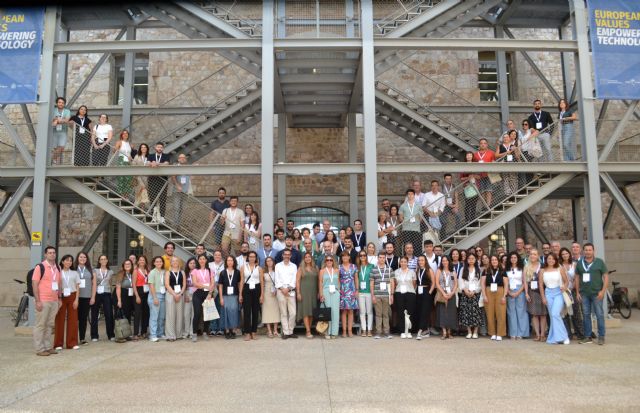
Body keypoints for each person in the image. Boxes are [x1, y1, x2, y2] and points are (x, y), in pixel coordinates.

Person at [575, 243, 609, 345]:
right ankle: (588, 336)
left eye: (590, 250)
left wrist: (603, 291)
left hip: (597, 294)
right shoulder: (580, 263)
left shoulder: (599, 262)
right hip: (584, 294)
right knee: (586, 315)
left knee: (599, 315)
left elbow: (606, 277)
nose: (588, 252)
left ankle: (601, 336)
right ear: (583, 251)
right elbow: (576, 278)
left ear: (593, 251)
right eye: (586, 250)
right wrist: (577, 292)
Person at [32, 246, 62, 356]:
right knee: (41, 325)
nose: (52, 254)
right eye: (50, 253)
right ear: (45, 254)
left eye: (54, 253)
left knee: (49, 325)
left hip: (54, 300)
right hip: (43, 300)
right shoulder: (40, 267)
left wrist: (59, 298)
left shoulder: (57, 268)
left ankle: (48, 347)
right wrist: (37, 300)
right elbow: (34, 284)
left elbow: (59, 284)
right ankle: (39, 349)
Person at [539, 253, 570, 345]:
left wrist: (564, 287)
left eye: (553, 259)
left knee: (555, 314)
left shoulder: (559, 268)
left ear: (555, 260)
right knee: (552, 317)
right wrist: (543, 297)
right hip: (548, 293)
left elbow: (566, 281)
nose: (551, 260)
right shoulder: (542, 271)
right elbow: (540, 285)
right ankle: (555, 338)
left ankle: (564, 336)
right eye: (549, 258)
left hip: (558, 293)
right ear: (546, 260)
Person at [53, 254, 80, 351]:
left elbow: (77, 287)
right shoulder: (58, 272)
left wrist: (77, 299)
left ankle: (72, 343)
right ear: (62, 261)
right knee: (59, 319)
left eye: (70, 261)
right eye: (67, 260)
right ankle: (58, 343)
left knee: (73, 319)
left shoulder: (75, 273)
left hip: (72, 296)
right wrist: (57, 298)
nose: (69, 262)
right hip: (61, 296)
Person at [481, 255, 508, 341]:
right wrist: (484, 295)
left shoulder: (503, 271)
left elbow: (506, 284)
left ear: (498, 261)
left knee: (501, 313)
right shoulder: (486, 271)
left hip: (500, 291)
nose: (494, 261)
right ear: (490, 261)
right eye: (492, 260)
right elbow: (482, 284)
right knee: (490, 313)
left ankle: (500, 333)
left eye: (495, 259)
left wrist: (504, 296)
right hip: (489, 291)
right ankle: (492, 333)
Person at [458, 253, 483, 339]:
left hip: (475, 293)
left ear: (475, 260)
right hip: (465, 293)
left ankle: (475, 331)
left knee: (476, 312)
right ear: (467, 260)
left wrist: (474, 291)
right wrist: (465, 290)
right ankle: (468, 331)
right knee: (466, 312)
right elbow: (460, 281)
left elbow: (480, 282)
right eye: (469, 259)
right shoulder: (463, 269)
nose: (471, 260)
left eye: (473, 258)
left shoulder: (479, 269)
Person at [560, 247, 584, 340]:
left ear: (569, 254)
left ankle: (580, 333)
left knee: (576, 312)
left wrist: (573, 286)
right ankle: (568, 334)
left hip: (573, 290)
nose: (565, 255)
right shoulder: (559, 266)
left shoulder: (574, 264)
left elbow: (577, 277)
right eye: (563, 254)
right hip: (564, 291)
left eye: (566, 253)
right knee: (565, 313)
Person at [240, 251, 264, 341]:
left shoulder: (259, 268)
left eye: (254, 256)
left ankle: (254, 332)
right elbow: (242, 281)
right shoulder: (243, 267)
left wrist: (262, 295)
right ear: (248, 257)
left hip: (257, 289)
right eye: (250, 256)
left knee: (255, 311)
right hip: (246, 289)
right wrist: (240, 294)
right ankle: (247, 333)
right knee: (247, 312)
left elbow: (262, 282)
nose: (252, 258)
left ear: (256, 258)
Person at [275, 249, 298, 339]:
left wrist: (288, 289)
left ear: (290, 256)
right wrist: (282, 289)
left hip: (290, 291)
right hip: (280, 291)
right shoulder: (277, 266)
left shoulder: (294, 266)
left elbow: (294, 279)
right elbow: (277, 279)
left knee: (293, 313)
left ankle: (291, 331)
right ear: (282, 255)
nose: (287, 256)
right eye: (285, 254)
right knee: (283, 313)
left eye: (288, 255)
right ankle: (286, 332)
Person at [524, 249, 547, 342]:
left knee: (543, 314)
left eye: (535, 254)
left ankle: (543, 334)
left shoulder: (542, 266)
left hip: (542, 292)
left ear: (538, 256)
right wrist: (526, 293)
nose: (533, 256)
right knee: (534, 314)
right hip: (532, 292)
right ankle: (537, 334)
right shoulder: (526, 266)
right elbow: (525, 281)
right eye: (531, 254)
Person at [91, 255, 115, 342]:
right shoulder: (95, 271)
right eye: (101, 259)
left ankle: (111, 334)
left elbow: (110, 283)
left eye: (105, 259)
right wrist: (93, 297)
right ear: (99, 261)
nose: (103, 260)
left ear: (107, 260)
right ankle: (94, 335)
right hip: (97, 293)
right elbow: (93, 283)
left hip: (107, 293)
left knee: (109, 314)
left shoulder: (111, 272)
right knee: (94, 314)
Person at [505, 252, 529, 340]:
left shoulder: (522, 268)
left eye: (515, 257)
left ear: (518, 258)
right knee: (511, 312)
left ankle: (521, 333)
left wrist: (518, 292)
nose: (513, 259)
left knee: (521, 311)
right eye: (511, 257)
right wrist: (509, 292)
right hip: (509, 290)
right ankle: (513, 333)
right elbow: (505, 282)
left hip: (520, 290)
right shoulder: (506, 269)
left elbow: (524, 282)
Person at [392, 256, 416, 339]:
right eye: (401, 261)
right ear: (399, 263)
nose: (403, 263)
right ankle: (402, 331)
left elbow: (414, 284)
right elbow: (395, 283)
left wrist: (408, 289)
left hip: (410, 293)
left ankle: (408, 331)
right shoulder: (396, 272)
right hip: (399, 293)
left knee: (409, 313)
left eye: (405, 261)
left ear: (407, 262)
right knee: (400, 312)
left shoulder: (412, 272)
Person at [370, 252, 393, 339]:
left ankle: (386, 331)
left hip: (387, 295)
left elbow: (392, 282)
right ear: (378, 258)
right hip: (377, 295)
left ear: (385, 259)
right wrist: (373, 295)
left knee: (386, 314)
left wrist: (391, 294)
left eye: (383, 257)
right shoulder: (374, 270)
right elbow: (371, 283)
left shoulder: (389, 269)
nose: (382, 259)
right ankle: (378, 332)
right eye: (380, 257)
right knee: (378, 314)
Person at [190, 255, 212, 342]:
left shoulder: (210, 270)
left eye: (203, 259)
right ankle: (194, 333)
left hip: (208, 294)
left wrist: (210, 293)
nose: (202, 260)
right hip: (197, 293)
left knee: (207, 314)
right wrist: (205, 286)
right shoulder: (195, 271)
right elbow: (195, 283)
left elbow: (213, 283)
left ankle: (205, 332)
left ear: (206, 260)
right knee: (197, 313)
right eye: (200, 259)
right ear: (198, 261)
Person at [296, 252, 318, 339]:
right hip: (304, 292)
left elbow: (319, 280)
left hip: (313, 292)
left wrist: (319, 292)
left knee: (311, 312)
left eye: (309, 257)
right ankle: (308, 331)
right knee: (305, 311)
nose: (308, 258)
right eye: (306, 257)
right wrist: (298, 293)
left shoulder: (316, 268)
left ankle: (309, 328)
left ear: (311, 258)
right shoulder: (301, 269)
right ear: (304, 259)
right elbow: (297, 281)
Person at [435, 255, 457, 340]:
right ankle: (444, 332)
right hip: (442, 294)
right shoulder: (439, 271)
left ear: (449, 261)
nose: (445, 262)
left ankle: (449, 332)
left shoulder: (453, 271)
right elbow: (437, 283)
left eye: (446, 261)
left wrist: (451, 293)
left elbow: (455, 284)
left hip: (451, 294)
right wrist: (443, 293)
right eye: (443, 261)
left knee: (451, 313)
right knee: (442, 313)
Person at [164, 256, 185, 342]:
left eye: (177, 261)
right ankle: (170, 335)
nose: (175, 262)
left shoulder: (182, 272)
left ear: (179, 262)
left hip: (180, 294)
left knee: (180, 315)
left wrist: (180, 294)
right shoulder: (168, 272)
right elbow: (167, 285)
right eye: (173, 261)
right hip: (170, 294)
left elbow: (184, 285)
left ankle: (179, 334)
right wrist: (174, 294)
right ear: (171, 263)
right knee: (170, 315)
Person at [318, 254, 340, 339]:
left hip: (335, 292)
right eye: (327, 260)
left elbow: (338, 281)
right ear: (325, 261)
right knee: (326, 312)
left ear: (333, 261)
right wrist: (321, 294)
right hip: (326, 291)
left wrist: (338, 291)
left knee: (335, 312)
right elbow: (320, 283)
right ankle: (326, 332)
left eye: (331, 260)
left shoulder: (336, 270)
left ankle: (334, 332)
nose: (329, 261)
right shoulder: (322, 271)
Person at [74, 252, 93, 345]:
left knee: (83, 318)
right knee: (74, 318)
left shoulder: (90, 269)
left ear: (87, 259)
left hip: (86, 297)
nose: (82, 258)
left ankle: (82, 338)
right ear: (77, 258)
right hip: (75, 297)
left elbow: (94, 285)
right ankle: (73, 338)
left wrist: (92, 297)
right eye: (81, 257)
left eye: (84, 257)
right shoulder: (73, 269)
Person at [338, 251, 358, 338]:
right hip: (343, 290)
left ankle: (350, 331)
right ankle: (344, 331)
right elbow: (338, 279)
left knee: (350, 311)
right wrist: (339, 290)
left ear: (349, 257)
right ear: (341, 258)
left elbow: (356, 278)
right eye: (343, 256)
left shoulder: (354, 266)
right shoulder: (339, 267)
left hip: (351, 290)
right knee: (344, 311)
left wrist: (357, 290)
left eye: (346, 256)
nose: (345, 258)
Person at [414, 255, 435, 340]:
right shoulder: (417, 270)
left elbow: (433, 283)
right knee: (419, 311)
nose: (420, 262)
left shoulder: (429, 270)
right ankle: (425, 330)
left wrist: (430, 292)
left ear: (425, 261)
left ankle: (420, 331)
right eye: (419, 260)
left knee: (424, 311)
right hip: (418, 292)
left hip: (426, 291)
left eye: (422, 260)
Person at [115, 259, 135, 341]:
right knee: (121, 316)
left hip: (130, 296)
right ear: (123, 266)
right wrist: (119, 300)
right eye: (126, 264)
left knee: (128, 315)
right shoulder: (121, 274)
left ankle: (127, 334)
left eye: (129, 264)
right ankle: (120, 335)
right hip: (122, 295)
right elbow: (118, 287)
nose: (127, 265)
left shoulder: (132, 273)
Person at [495, 130, 521, 195]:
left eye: (507, 137)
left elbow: (517, 156)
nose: (506, 138)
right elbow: (496, 155)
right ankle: (507, 195)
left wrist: (515, 149)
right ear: (503, 139)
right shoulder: (500, 146)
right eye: (504, 137)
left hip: (513, 164)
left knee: (513, 178)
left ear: (509, 138)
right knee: (505, 179)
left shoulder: (513, 145)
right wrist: (505, 153)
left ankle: (514, 193)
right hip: (504, 164)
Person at [148, 256, 167, 342]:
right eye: (157, 261)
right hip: (155, 295)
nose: (159, 263)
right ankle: (153, 335)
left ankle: (160, 333)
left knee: (162, 317)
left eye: (160, 261)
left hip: (163, 295)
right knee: (154, 316)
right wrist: (155, 297)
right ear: (154, 263)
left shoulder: (164, 272)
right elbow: (151, 285)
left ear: (162, 263)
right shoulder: (152, 272)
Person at [398, 189, 421, 255]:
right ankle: (406, 260)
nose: (410, 195)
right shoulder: (403, 206)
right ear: (407, 195)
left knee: (416, 246)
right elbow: (400, 218)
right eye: (409, 194)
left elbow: (421, 218)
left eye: (412, 194)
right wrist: (405, 221)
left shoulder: (418, 205)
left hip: (416, 229)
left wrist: (417, 219)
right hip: (406, 229)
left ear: (414, 195)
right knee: (406, 246)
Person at [356, 251, 374, 337]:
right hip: (360, 292)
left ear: (366, 256)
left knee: (369, 312)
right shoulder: (357, 267)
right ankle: (363, 329)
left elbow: (373, 279)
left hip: (369, 292)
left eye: (364, 255)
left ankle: (369, 329)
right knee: (362, 312)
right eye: (361, 255)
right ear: (359, 257)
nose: (362, 257)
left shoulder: (371, 266)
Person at [473, 138, 496, 207]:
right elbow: (473, 165)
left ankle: (488, 206)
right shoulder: (475, 154)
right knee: (482, 191)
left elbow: (494, 162)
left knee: (489, 190)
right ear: (479, 145)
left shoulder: (491, 153)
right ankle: (484, 205)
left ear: (487, 145)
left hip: (489, 174)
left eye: (484, 143)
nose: (483, 145)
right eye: (481, 143)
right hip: (479, 175)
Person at [262, 257, 281, 338]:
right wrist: (262, 294)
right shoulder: (263, 272)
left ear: (273, 262)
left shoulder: (277, 271)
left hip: (275, 292)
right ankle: (269, 330)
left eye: (270, 261)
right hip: (266, 292)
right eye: (267, 261)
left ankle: (275, 330)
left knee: (275, 311)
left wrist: (277, 290)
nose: (269, 262)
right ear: (265, 263)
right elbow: (262, 284)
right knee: (267, 311)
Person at [170, 153, 191, 226]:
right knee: (176, 208)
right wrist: (177, 185)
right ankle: (175, 225)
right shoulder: (176, 167)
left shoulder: (188, 168)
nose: (182, 159)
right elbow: (173, 177)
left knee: (182, 209)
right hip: (177, 191)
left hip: (185, 192)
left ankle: (178, 224)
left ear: (185, 159)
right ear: (178, 159)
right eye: (180, 158)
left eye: (183, 158)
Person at [133, 255, 150, 340]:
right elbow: (133, 284)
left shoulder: (147, 270)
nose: (142, 261)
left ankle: (144, 332)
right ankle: (136, 333)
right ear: (138, 261)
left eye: (143, 260)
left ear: (145, 261)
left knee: (146, 313)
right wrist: (136, 296)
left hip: (147, 292)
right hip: (139, 292)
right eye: (140, 260)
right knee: (138, 313)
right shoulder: (136, 271)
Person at [460, 152, 480, 222]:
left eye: (470, 155)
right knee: (467, 205)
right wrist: (468, 178)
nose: (469, 156)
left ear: (472, 157)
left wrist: (473, 176)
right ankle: (467, 220)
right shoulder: (463, 166)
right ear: (466, 157)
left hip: (475, 187)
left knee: (474, 205)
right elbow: (461, 178)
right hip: (467, 187)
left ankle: (472, 219)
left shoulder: (475, 165)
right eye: (467, 155)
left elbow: (479, 176)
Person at [113, 130, 133, 196]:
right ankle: (121, 194)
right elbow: (114, 151)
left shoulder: (130, 144)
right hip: (121, 160)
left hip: (128, 162)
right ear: (121, 135)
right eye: (123, 133)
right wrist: (116, 148)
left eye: (126, 133)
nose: (125, 134)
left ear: (128, 135)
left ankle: (126, 194)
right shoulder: (119, 142)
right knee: (121, 178)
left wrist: (131, 158)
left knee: (128, 178)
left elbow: (131, 153)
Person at [51, 97, 71, 165]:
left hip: (63, 131)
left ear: (64, 104)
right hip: (54, 131)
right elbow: (52, 118)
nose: (61, 104)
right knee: (55, 148)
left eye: (62, 103)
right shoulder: (53, 110)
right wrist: (59, 120)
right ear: (57, 103)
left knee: (61, 147)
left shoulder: (67, 111)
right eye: (59, 102)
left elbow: (67, 120)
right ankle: (56, 163)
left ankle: (53, 159)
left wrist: (57, 120)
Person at [441, 173, 461, 239]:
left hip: (452, 204)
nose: (448, 180)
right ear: (444, 179)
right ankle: (443, 236)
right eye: (447, 179)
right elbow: (441, 198)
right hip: (444, 206)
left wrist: (456, 206)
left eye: (450, 179)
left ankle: (457, 231)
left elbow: (456, 196)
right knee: (444, 221)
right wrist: (450, 205)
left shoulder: (454, 186)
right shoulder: (441, 186)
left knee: (458, 215)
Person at [131, 143, 150, 210]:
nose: (143, 148)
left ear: (147, 149)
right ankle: (135, 207)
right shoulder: (137, 156)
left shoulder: (149, 157)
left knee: (145, 194)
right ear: (140, 149)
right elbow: (133, 166)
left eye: (145, 147)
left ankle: (143, 209)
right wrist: (136, 177)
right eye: (142, 147)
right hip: (138, 177)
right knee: (138, 193)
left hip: (147, 178)